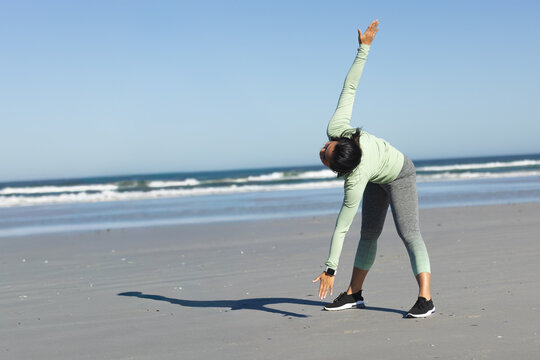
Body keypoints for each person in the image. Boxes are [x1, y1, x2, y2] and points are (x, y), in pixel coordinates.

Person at [312, 20, 435, 318]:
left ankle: (426, 299)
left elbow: (341, 225)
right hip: (376, 177)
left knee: (409, 234)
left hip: (400, 173)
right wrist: (363, 48)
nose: (322, 150)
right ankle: (354, 294)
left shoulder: (355, 179)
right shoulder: (338, 131)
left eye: (325, 156)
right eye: (326, 150)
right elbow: (350, 87)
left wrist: (329, 268)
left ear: (343, 170)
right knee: (368, 234)